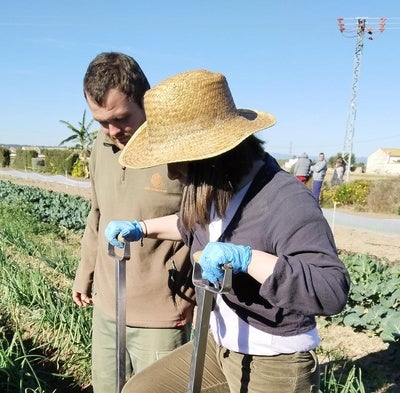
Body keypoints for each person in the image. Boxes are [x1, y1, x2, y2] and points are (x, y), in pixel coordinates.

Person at [104, 69, 350, 392]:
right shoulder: (218, 190)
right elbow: (187, 224)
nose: (171, 172)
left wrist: (248, 259)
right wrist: (141, 228)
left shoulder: (285, 201)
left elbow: (332, 289)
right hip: (217, 347)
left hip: (273, 362)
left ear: (211, 158)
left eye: (175, 160)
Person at [71, 52, 195, 393]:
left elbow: (206, 224)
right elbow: (98, 214)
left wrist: (198, 298)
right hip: (108, 305)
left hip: (162, 312)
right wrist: (85, 273)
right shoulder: (101, 145)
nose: (112, 131)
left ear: (145, 100)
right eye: (100, 121)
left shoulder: (178, 150)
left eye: (121, 118)